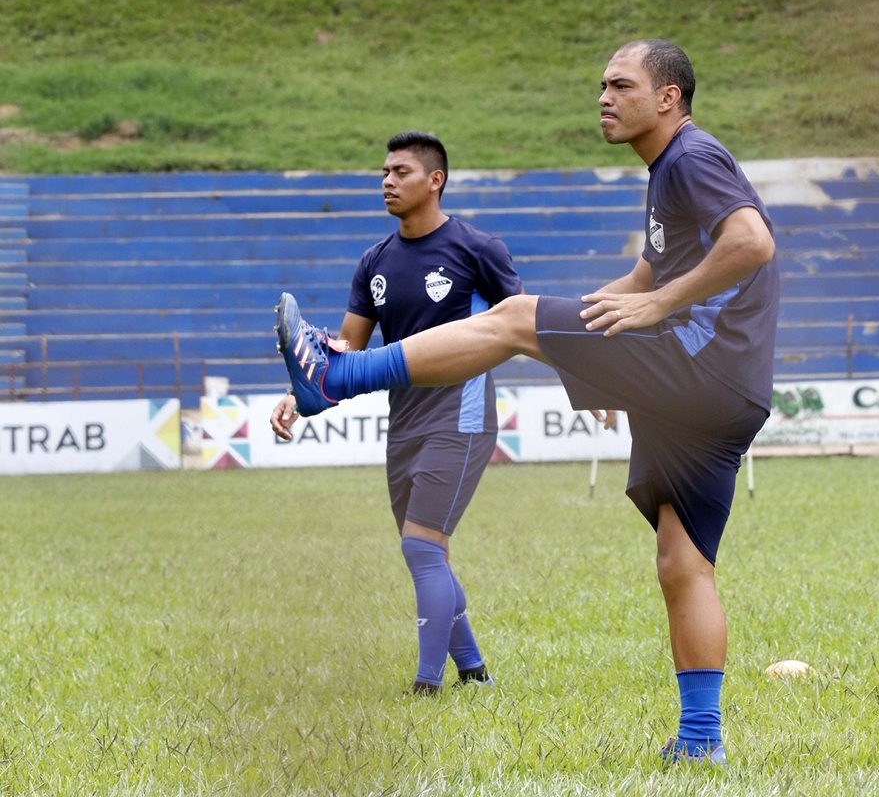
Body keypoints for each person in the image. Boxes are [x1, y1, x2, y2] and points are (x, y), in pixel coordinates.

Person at [274, 40, 777, 764]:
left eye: (620, 85)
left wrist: (653, 308)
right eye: (600, 84)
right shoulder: (671, 172)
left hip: (698, 366)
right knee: (682, 562)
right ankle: (701, 742)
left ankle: (333, 381)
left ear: (668, 98)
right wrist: (610, 335)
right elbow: (652, 268)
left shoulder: (691, 157)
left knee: (512, 320)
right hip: (725, 392)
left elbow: (752, 242)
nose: (603, 96)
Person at [270, 131, 523, 694]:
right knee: (427, 549)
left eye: (401, 171)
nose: (387, 181)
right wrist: (295, 393)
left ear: (435, 180)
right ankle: (474, 672)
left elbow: (521, 324)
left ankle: (426, 685)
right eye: (384, 172)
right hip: (404, 418)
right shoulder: (374, 261)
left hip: (462, 410)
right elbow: (346, 350)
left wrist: (589, 379)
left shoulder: (479, 249)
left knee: (421, 546)